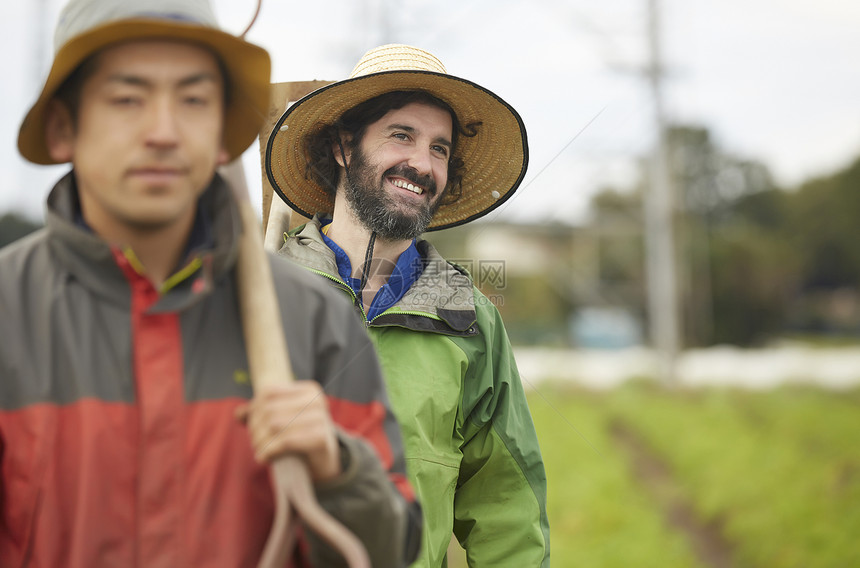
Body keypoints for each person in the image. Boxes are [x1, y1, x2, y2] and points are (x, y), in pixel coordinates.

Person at [0, 2, 421, 566]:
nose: (164, 132)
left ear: (225, 134)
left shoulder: (315, 322)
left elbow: (390, 551)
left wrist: (337, 469)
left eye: (194, 100)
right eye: (127, 99)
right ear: (62, 127)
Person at [265, 44, 550, 567]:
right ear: (344, 147)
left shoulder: (469, 319)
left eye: (440, 149)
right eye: (402, 135)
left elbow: (506, 507)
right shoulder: (259, 295)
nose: (421, 163)